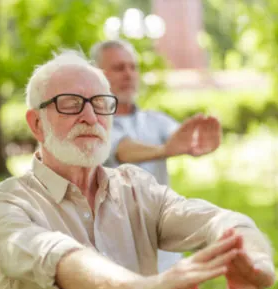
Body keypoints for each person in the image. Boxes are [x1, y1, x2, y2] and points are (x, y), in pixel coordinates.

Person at [0, 51, 275, 289]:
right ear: (36, 123)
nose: (90, 116)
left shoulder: (136, 187)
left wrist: (255, 259)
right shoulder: (9, 202)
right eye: (70, 104)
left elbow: (217, 220)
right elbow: (53, 256)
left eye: (100, 103)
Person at [90, 39, 222, 273]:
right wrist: (164, 150)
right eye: (119, 68)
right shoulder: (91, 124)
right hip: (113, 250)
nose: (129, 74)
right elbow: (122, 150)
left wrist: (197, 142)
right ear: (96, 76)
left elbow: (180, 138)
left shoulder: (155, 120)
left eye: (133, 67)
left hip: (161, 247)